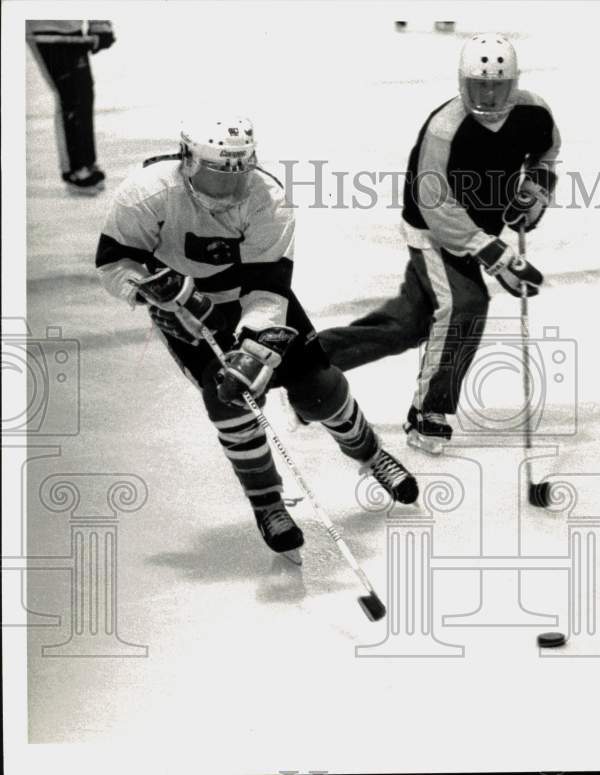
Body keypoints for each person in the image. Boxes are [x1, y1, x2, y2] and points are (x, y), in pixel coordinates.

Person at [94, 117, 418, 559]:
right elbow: (114, 262)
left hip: (255, 298)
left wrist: (253, 352)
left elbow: (267, 286)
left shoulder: (268, 197)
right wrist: (149, 290)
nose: (229, 187)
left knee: (318, 390)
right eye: (217, 172)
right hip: (183, 310)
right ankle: (267, 501)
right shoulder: (146, 193)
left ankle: (370, 453)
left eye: (239, 171)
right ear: (187, 160)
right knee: (229, 400)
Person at [319, 33, 560, 455]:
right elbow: (436, 206)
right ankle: (429, 410)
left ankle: (313, 361)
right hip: (431, 232)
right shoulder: (445, 128)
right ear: (462, 81)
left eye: (498, 84)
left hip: (478, 227)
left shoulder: (534, 113)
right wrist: (495, 254)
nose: (488, 93)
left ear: (514, 81)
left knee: (408, 326)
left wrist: (536, 187)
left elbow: (546, 153)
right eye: (479, 83)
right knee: (465, 304)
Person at [27, 20, 116, 194]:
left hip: (72, 26)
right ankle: (75, 169)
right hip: (43, 26)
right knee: (69, 96)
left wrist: (100, 25)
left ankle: (87, 162)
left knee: (83, 92)